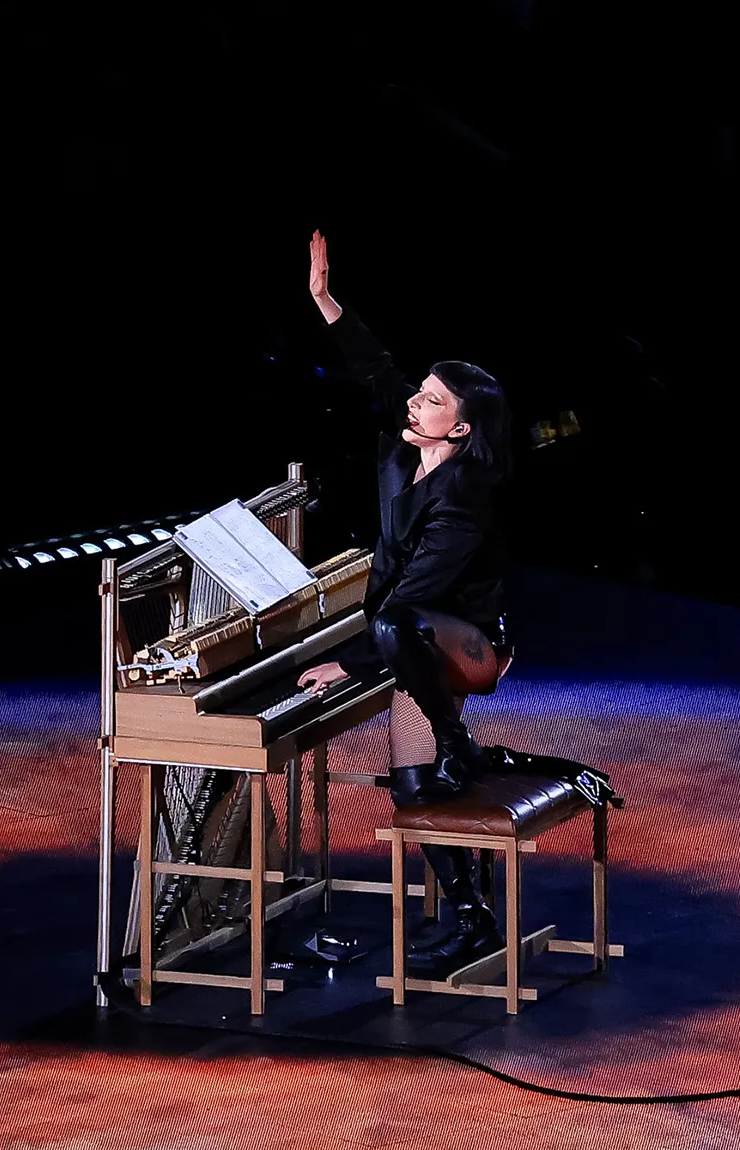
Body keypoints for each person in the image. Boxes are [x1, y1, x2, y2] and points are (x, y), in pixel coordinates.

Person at [294, 228, 514, 972]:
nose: (416, 403)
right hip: (408, 639)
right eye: (421, 395)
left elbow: (415, 596)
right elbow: (378, 371)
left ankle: (460, 748)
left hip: (469, 643)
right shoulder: (405, 444)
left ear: (462, 426)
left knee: (396, 622)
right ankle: (474, 916)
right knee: (413, 784)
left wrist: (348, 667)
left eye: (433, 400)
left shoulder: (464, 497)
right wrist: (326, 301)